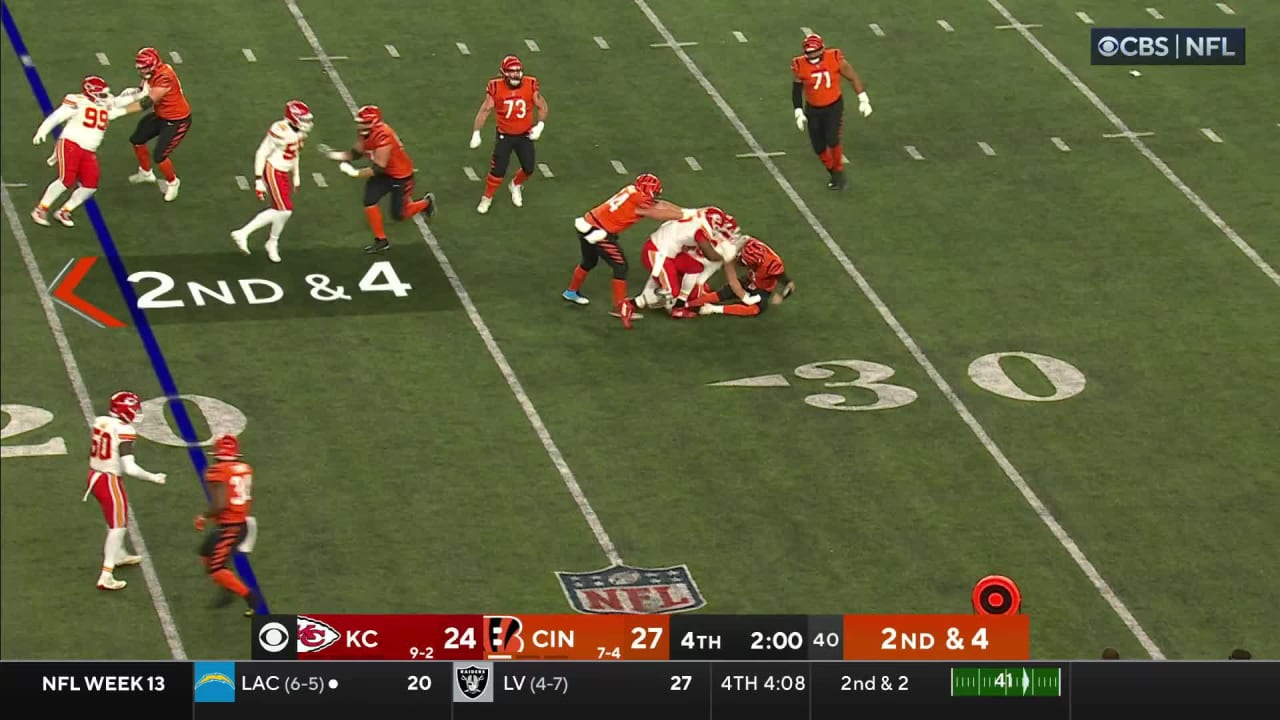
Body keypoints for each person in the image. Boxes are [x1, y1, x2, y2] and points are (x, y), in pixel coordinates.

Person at [320, 105, 435, 253]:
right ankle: (381, 240)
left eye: (364, 122)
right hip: (385, 174)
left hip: (400, 177)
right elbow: (356, 153)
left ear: (373, 123)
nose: (360, 125)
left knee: (399, 215)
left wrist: (354, 173)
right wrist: (336, 155)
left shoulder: (383, 135)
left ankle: (426, 203)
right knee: (369, 200)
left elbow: (378, 167)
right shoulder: (365, 132)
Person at [562, 173, 683, 314]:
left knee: (589, 261)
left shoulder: (631, 190)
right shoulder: (640, 200)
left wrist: (685, 212)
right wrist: (683, 215)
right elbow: (656, 213)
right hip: (600, 233)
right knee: (620, 267)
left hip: (588, 224)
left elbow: (660, 205)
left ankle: (571, 292)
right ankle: (620, 307)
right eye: (654, 192)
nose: (655, 196)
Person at [30, 76, 140, 227]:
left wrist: (142, 93)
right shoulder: (78, 101)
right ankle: (40, 209)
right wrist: (43, 130)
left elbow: (119, 104)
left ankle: (64, 210)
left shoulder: (104, 106)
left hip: (89, 151)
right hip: (70, 144)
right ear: (91, 94)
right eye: (101, 94)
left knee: (90, 184)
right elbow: (57, 117)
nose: (106, 96)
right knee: (66, 179)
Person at [84, 391, 167, 591]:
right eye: (134, 408)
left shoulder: (101, 421)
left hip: (94, 476)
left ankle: (119, 554)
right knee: (118, 526)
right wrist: (152, 477)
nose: (137, 411)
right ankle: (106, 574)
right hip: (109, 480)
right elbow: (130, 468)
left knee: (114, 519)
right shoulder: (125, 430)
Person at [231, 100, 314, 262]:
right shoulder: (280, 130)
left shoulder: (300, 132)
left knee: (282, 211)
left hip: (284, 171)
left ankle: (268, 241)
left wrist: (296, 175)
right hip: (274, 170)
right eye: (303, 119)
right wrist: (258, 179)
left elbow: (295, 153)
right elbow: (261, 152)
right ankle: (247, 234)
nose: (307, 123)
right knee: (285, 210)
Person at [791, 33, 872, 190]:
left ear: (822, 49)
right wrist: (798, 111)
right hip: (813, 108)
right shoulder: (799, 65)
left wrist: (863, 98)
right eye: (808, 53)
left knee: (832, 139)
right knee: (819, 147)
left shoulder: (834, 57)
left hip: (833, 106)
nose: (811, 55)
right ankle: (834, 173)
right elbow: (796, 89)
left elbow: (852, 76)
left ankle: (839, 172)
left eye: (814, 52)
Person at [469, 55, 548, 214]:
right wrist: (476, 132)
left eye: (518, 71)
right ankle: (487, 197)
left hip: (525, 134)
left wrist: (540, 125)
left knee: (529, 168)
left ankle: (515, 185)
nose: (515, 74)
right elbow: (485, 110)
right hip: (505, 135)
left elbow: (542, 106)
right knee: (498, 170)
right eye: (511, 71)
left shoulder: (530, 84)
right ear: (503, 73)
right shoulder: (496, 87)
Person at [196, 435, 261, 616]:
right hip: (239, 521)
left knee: (215, 569)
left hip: (231, 527)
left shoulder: (216, 471)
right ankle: (227, 583)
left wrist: (203, 516)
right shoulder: (245, 468)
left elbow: (220, 504)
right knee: (205, 552)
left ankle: (251, 598)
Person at [127, 47, 192, 202]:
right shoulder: (154, 73)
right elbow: (142, 90)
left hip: (177, 121)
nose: (142, 71)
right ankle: (146, 173)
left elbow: (147, 103)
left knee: (160, 155)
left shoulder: (164, 77)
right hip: (161, 115)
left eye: (144, 68)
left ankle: (173, 182)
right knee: (137, 139)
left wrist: (118, 111)